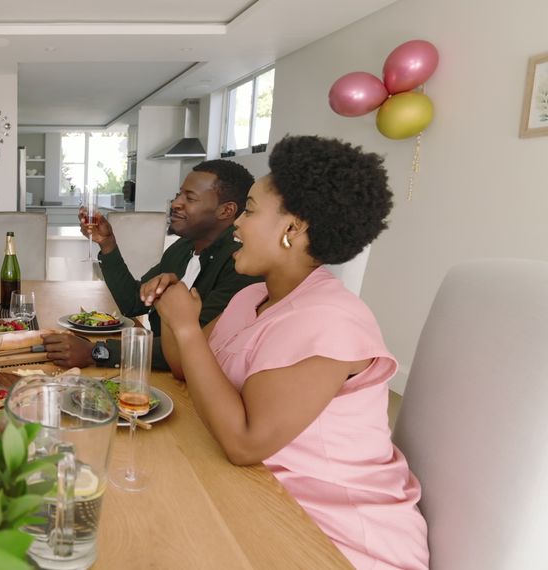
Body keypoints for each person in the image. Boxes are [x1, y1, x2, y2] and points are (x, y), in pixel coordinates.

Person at [148, 135, 428, 568]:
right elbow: (188, 369)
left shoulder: (330, 320)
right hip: (258, 495)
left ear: (293, 229)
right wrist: (173, 312)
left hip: (332, 537)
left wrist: (187, 328)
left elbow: (245, 444)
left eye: (250, 211)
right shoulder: (253, 297)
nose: (237, 224)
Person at [42, 159, 260, 370]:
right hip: (156, 369)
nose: (175, 203)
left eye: (190, 198)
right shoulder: (182, 248)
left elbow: (195, 346)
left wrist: (97, 352)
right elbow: (133, 302)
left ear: (226, 211)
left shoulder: (240, 264)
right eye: (179, 194)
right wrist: (107, 244)